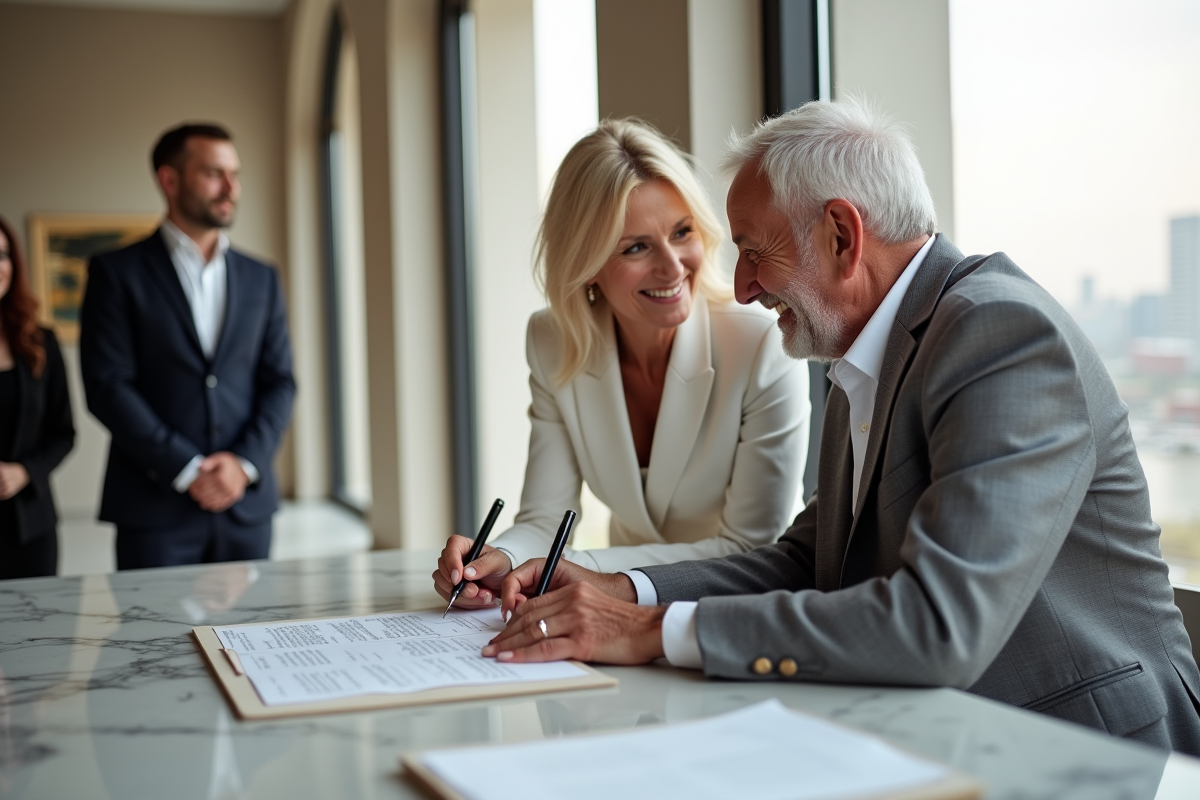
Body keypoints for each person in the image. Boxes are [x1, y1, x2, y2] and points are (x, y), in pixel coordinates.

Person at [484, 100, 1200, 755]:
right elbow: (807, 561)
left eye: (755, 252)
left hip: (1094, 751)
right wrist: (624, 591)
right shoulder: (868, 357)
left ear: (840, 234)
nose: (741, 288)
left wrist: (649, 631)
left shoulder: (999, 333)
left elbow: (938, 624)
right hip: (957, 734)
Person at [432, 119, 810, 608]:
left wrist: (574, 572)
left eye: (681, 232)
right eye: (635, 247)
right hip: (618, 608)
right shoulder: (552, 341)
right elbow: (546, 518)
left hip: (736, 608)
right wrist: (499, 560)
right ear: (586, 263)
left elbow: (752, 548)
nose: (673, 268)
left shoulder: (760, 345)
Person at [80, 123, 295, 569]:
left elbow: (280, 382)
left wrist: (243, 464)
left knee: (248, 638)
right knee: (149, 640)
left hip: (246, 508)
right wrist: (186, 468)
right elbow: (108, 385)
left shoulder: (262, 276)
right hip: (153, 506)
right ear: (169, 180)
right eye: (214, 173)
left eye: (235, 174)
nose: (231, 187)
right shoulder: (116, 272)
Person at [0, 216, 75, 579]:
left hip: (31, 528)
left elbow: (64, 432)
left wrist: (24, 472)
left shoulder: (40, 342)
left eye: (1, 255)